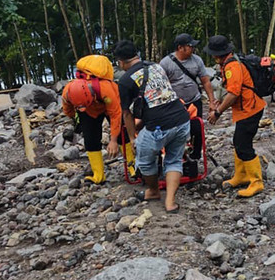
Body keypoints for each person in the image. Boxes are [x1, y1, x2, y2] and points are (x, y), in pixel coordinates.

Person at [115, 40, 190, 213]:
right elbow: (159, 98)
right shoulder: (156, 67)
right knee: (173, 160)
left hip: (158, 127)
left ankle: (154, 191)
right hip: (181, 119)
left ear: (121, 61)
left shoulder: (125, 80)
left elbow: (126, 114)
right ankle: (170, 202)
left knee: (145, 161)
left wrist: (133, 137)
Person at [205, 35, 266, 198]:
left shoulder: (232, 67)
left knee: (243, 144)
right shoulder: (229, 64)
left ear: (218, 54)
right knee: (238, 141)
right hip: (244, 109)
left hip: (250, 109)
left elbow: (234, 93)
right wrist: (220, 100)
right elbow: (232, 89)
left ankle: (256, 181)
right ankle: (241, 175)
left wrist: (218, 112)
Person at [61, 55, 126, 184]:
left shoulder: (107, 89)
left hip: (105, 105)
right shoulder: (67, 92)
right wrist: (75, 119)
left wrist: (113, 140)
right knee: (90, 139)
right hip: (89, 111)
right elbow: (68, 111)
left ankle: (132, 166)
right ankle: (98, 175)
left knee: (123, 135)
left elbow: (115, 115)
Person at [160, 33, 217, 161]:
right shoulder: (166, 63)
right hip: (175, 104)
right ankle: (176, 158)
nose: (193, 49)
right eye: (190, 46)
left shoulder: (197, 60)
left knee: (197, 129)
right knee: (175, 132)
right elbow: (162, 86)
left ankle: (195, 157)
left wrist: (212, 101)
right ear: (180, 48)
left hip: (194, 101)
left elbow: (205, 81)